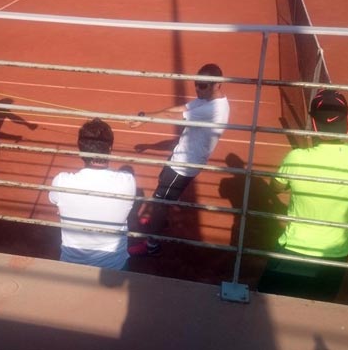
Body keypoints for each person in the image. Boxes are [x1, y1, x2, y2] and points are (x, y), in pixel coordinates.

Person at [257, 89, 348, 301]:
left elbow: (276, 187)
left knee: (269, 302)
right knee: (319, 307)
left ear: (313, 124)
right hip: (336, 256)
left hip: (295, 249)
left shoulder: (295, 158)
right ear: (347, 122)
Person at [127, 63, 230, 256]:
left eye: (202, 85)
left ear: (217, 84)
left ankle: (152, 244)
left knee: (158, 202)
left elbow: (170, 116)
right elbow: (180, 108)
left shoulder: (213, 109)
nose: (198, 88)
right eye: (196, 84)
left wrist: (144, 118)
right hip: (181, 156)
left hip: (183, 165)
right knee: (162, 185)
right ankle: (161, 218)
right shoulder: (206, 100)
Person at [49, 118, 136, 270]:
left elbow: (55, 202)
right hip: (115, 266)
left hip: (71, 265)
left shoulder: (61, 181)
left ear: (81, 150)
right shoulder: (127, 181)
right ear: (110, 148)